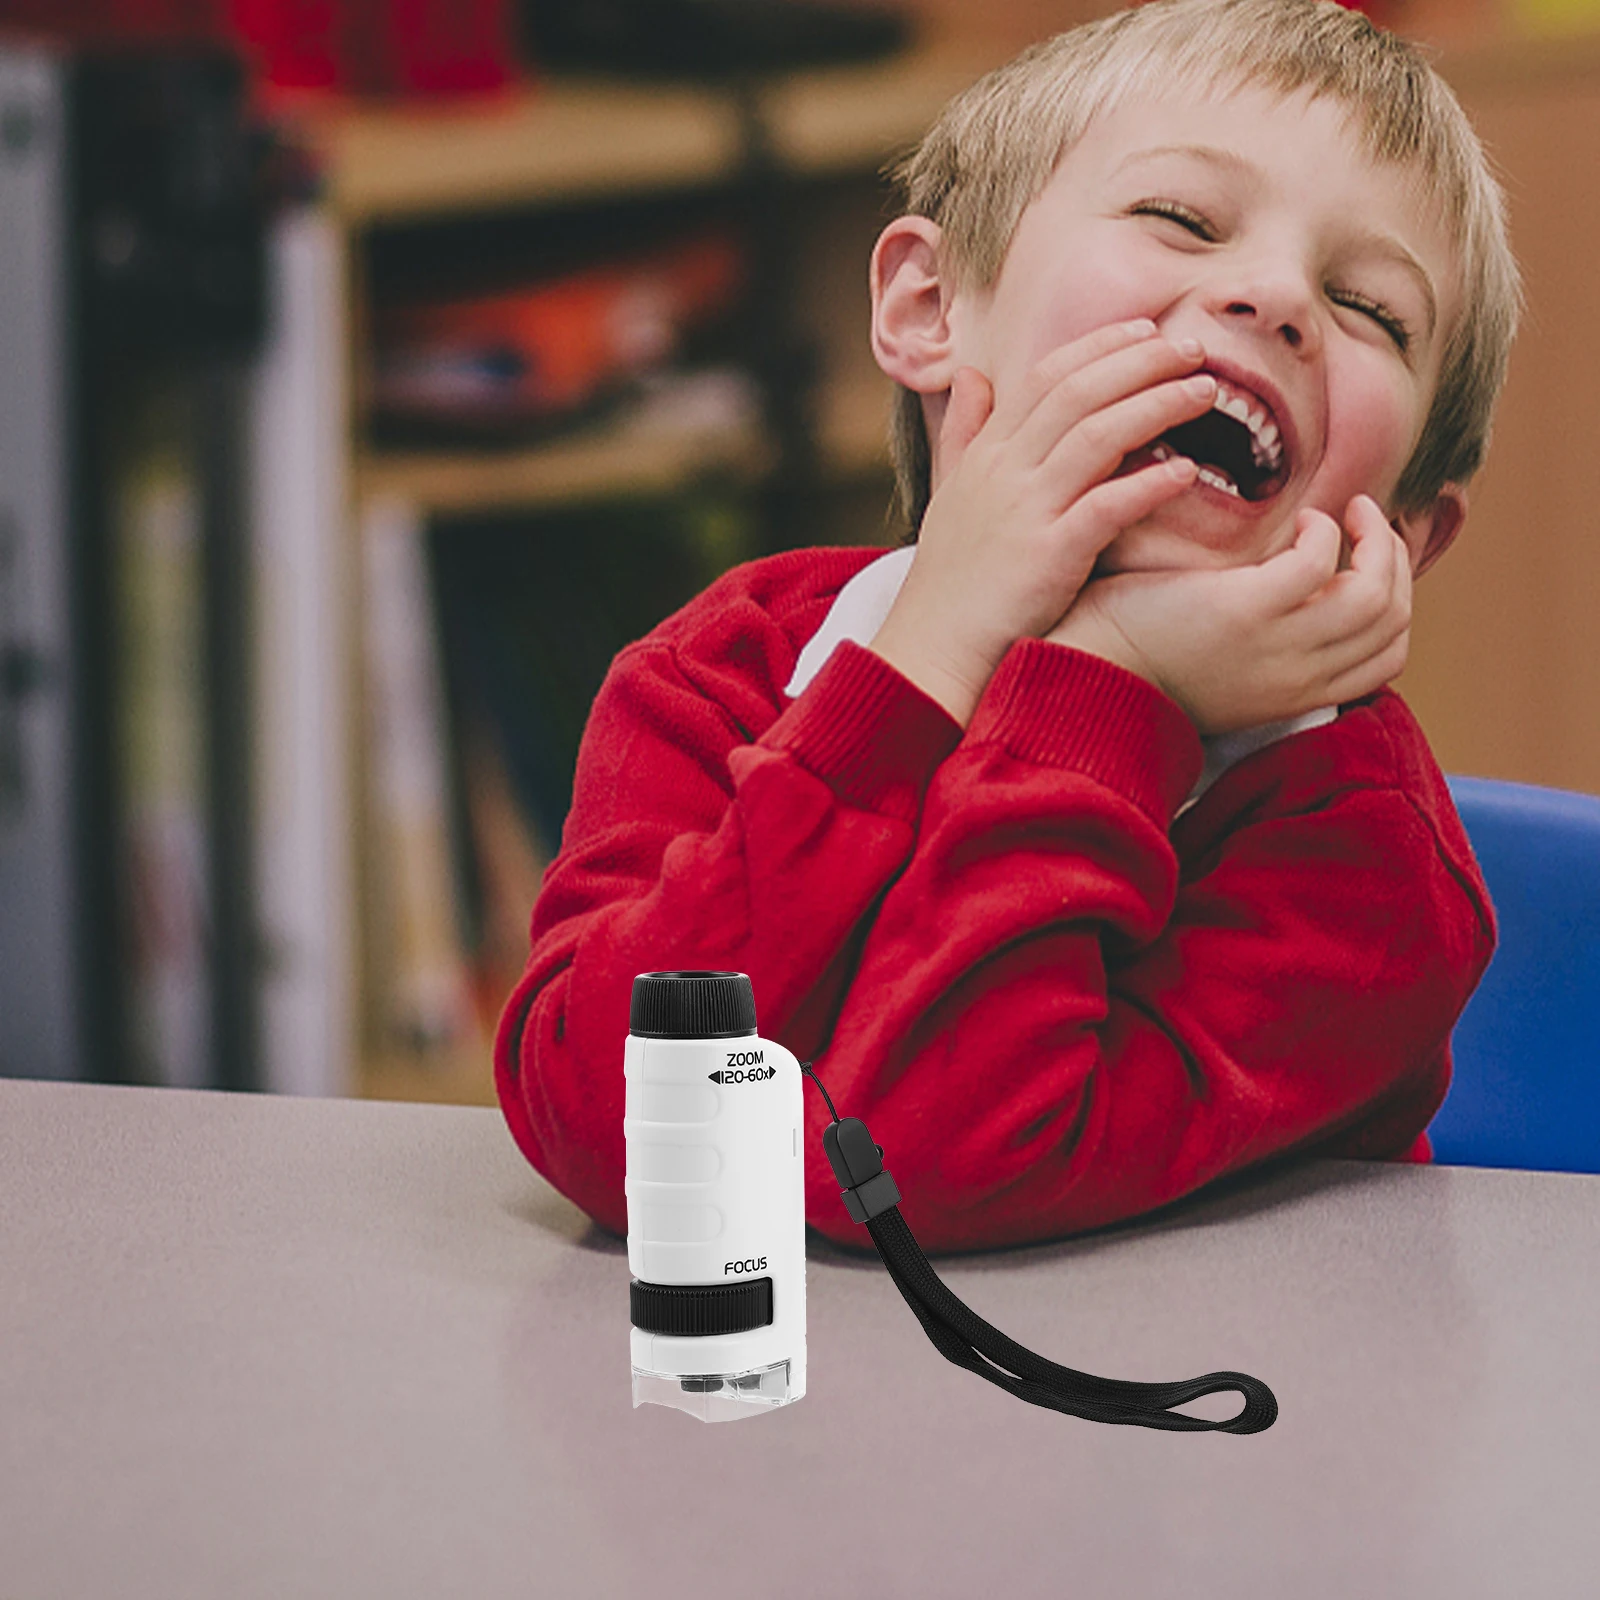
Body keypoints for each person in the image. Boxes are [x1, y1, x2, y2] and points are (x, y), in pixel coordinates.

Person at [494, 0, 1521, 1251]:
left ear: (1403, 530)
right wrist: (918, 666)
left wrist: (1107, 686)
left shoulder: (1368, 865)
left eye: (1369, 308)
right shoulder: (728, 667)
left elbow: (932, 1168)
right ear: (930, 309)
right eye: (1183, 219)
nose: (1272, 295)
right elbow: (612, 1129)